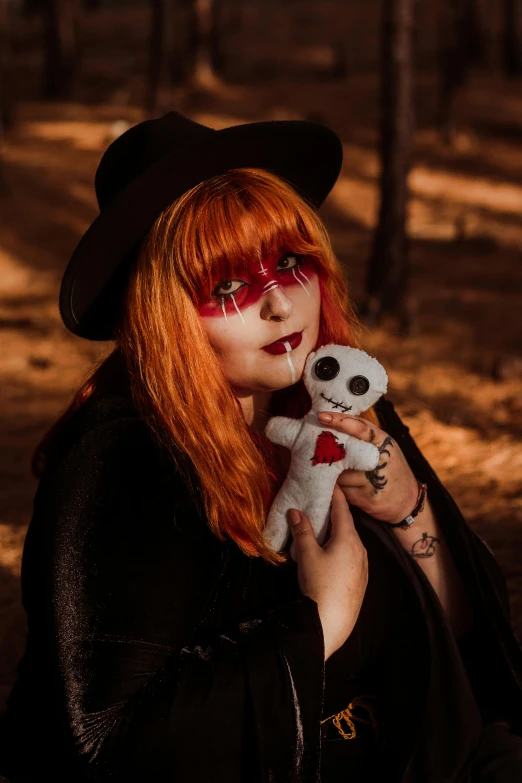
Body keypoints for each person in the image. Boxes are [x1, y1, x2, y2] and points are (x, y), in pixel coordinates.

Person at [0, 112, 521, 783]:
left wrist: (409, 509)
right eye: (227, 286)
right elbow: (106, 745)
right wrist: (319, 624)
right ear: (164, 314)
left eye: (289, 262)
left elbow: (466, 642)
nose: (279, 305)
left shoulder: (337, 391)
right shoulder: (123, 461)